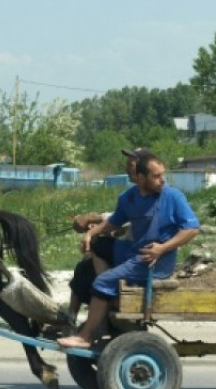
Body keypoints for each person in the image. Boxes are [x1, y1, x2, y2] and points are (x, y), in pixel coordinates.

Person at [58, 153, 201, 349]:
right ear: (141, 178)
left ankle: (86, 336)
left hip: (152, 260)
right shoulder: (128, 198)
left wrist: (163, 248)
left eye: (162, 175)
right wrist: (90, 235)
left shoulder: (173, 196)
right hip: (132, 252)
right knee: (99, 244)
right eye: (156, 176)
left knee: (101, 281)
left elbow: (192, 228)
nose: (162, 180)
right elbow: (114, 221)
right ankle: (109, 289)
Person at [65, 148, 152, 325]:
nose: (127, 168)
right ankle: (70, 319)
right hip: (129, 251)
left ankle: (110, 294)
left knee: (95, 247)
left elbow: (121, 219)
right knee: (83, 269)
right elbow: (118, 219)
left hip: (138, 256)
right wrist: (96, 226)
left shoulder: (150, 194)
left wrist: (92, 221)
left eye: (131, 165)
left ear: (143, 169)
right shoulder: (133, 193)